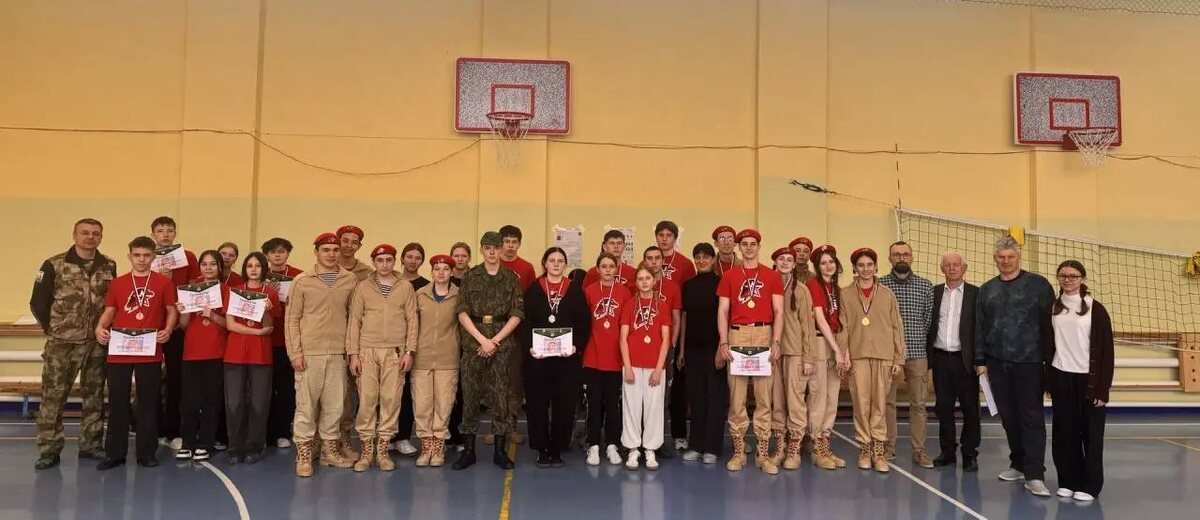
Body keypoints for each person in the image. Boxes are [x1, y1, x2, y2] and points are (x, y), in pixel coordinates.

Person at [30, 218, 117, 469]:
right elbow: (38, 303)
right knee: (53, 398)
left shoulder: (109, 265)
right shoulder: (54, 264)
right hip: (62, 345)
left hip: (96, 344)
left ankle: (91, 444)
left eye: (95, 233)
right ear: (74, 235)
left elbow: (113, 302)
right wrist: (54, 330)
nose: (90, 237)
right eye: (85, 232)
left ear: (101, 237)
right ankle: (49, 449)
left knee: (95, 397)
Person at [975, 235, 1056, 497]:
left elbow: (1050, 326)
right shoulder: (987, 290)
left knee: (1031, 418)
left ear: (1018, 258)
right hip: (997, 364)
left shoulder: (1038, 286)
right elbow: (979, 328)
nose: (1006, 261)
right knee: (1009, 417)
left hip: (1030, 363)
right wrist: (980, 361)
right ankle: (1018, 464)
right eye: (1001, 257)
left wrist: (1050, 363)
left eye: (1011, 257)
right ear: (995, 259)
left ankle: (1035, 474)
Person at [95, 236, 179, 469]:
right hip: (120, 349)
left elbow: (171, 310)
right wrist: (100, 327)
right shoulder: (118, 283)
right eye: (137, 255)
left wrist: (168, 330)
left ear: (153, 257)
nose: (142, 260)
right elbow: (110, 310)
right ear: (129, 256)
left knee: (148, 403)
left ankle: (146, 453)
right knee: (117, 402)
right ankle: (114, 453)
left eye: (146, 255)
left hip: (149, 349)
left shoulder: (164, 283)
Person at [286, 232, 359, 477]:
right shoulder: (302, 281)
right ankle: (304, 455)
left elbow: (354, 318)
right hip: (309, 353)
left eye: (335, 250)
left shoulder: (349, 280)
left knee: (335, 406)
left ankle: (330, 452)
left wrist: (351, 351)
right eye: (326, 250)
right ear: (316, 251)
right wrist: (295, 352)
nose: (331, 254)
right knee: (306, 407)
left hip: (338, 353)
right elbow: (291, 319)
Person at [715, 229, 785, 475]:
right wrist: (724, 342)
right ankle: (739, 452)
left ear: (759, 246)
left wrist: (776, 341)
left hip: (764, 334)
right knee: (737, 398)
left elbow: (779, 311)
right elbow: (723, 311)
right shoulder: (730, 276)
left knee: (764, 398)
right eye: (744, 243)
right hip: (738, 335)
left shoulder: (771, 276)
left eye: (753, 243)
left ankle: (763, 455)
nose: (748, 247)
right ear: (739, 247)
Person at [1045, 260, 1114, 502]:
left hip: (1089, 380)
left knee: (1091, 435)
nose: (1068, 280)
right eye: (1063, 275)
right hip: (1061, 376)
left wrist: (1102, 390)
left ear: (1082, 279)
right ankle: (1068, 481)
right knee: (1065, 434)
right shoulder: (1052, 308)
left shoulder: (1097, 309)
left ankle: (1090, 485)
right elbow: (1048, 346)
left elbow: (1107, 353)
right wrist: (1049, 382)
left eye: (1073, 276)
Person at [455, 231, 524, 470]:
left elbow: (517, 313)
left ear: (502, 250)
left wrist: (494, 341)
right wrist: (481, 340)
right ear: (482, 250)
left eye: (496, 247)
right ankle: (469, 451)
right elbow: (462, 312)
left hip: (500, 346)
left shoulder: (511, 279)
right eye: (487, 247)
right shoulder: (470, 277)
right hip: (473, 345)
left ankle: (499, 451)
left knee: (500, 398)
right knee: (470, 397)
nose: (492, 252)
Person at [347, 244, 418, 472]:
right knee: (367, 400)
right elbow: (354, 321)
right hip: (367, 350)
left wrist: (409, 351)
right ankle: (366, 452)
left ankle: (383, 451)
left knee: (391, 400)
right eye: (380, 260)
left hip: (395, 352)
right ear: (374, 262)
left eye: (389, 260)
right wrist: (353, 354)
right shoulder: (363, 287)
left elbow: (412, 321)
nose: (384, 264)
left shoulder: (405, 287)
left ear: (395, 261)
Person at [522, 247, 592, 468]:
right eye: (551, 260)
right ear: (544, 263)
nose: (555, 264)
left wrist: (576, 346)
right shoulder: (533, 289)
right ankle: (541, 448)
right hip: (538, 359)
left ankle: (557, 449)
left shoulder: (575, 290)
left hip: (566, 359)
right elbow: (525, 322)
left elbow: (584, 322)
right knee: (537, 404)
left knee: (564, 405)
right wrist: (530, 347)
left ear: (565, 265)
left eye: (560, 261)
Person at [837, 248, 905, 473]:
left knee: (879, 405)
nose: (865, 269)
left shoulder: (887, 294)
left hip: (884, 356)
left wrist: (899, 358)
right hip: (858, 356)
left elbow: (896, 327)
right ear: (855, 269)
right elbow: (843, 327)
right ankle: (864, 450)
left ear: (876, 267)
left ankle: (878, 451)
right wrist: (844, 354)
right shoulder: (846, 294)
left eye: (869, 265)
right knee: (861, 404)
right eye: (861, 265)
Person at [878, 241, 935, 467]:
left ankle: (919, 451)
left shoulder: (925, 286)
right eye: (896, 254)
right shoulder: (880, 285)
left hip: (917, 352)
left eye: (905, 254)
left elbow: (928, 321)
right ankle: (888, 448)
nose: (901, 257)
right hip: (888, 355)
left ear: (912, 257)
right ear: (889, 258)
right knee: (887, 403)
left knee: (919, 404)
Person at [223, 252, 281, 464]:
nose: (254, 269)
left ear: (264, 269)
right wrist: (256, 332)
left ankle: (254, 446)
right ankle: (234, 447)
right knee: (234, 402)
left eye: (258, 266)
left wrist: (266, 312)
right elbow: (230, 325)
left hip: (260, 355)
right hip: (234, 353)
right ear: (245, 269)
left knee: (259, 402)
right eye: (250, 266)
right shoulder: (234, 291)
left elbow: (269, 327)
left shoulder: (270, 294)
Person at [926, 252, 980, 472]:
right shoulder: (934, 293)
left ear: (964, 268)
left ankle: (969, 454)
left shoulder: (977, 294)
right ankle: (947, 452)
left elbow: (981, 329)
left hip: (966, 362)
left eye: (956, 264)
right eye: (947, 265)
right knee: (944, 408)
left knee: (971, 409)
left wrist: (981, 360)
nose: (952, 268)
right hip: (941, 360)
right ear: (942, 269)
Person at [150, 216, 199, 448]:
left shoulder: (187, 257)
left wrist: (182, 319)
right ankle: (151, 428)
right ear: (153, 235)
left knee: (175, 379)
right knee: (149, 380)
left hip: (178, 327)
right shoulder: (146, 256)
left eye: (169, 230)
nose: (165, 234)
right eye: (160, 231)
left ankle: (173, 431)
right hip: (150, 327)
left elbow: (194, 288)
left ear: (175, 233)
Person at [768, 247, 818, 470]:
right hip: (771, 352)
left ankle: (794, 450)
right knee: (776, 401)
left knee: (796, 401)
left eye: (790, 259)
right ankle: (780, 447)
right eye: (782, 258)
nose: (786, 262)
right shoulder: (767, 285)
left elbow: (808, 325)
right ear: (775, 261)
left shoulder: (802, 289)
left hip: (795, 352)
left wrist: (809, 357)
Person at [174, 250, 228, 462]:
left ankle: (205, 443)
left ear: (219, 267)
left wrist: (212, 315)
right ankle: (187, 443)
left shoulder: (226, 291)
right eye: (204, 264)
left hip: (216, 352)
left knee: (211, 401)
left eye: (213, 264)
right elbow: (183, 326)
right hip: (192, 353)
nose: (208, 268)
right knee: (189, 401)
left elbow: (230, 324)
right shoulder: (190, 290)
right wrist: (183, 312)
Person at [620, 266, 673, 470]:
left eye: (647, 278)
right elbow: (623, 338)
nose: (644, 282)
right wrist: (627, 367)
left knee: (654, 407)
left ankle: (650, 448)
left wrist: (659, 369)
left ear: (654, 281)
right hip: (632, 364)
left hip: (654, 365)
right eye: (640, 278)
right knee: (631, 407)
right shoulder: (629, 305)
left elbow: (666, 339)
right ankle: (633, 448)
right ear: (636, 282)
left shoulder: (662, 306)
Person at [582, 253, 633, 466]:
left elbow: (628, 327)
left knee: (613, 405)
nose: (608, 270)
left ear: (616, 268)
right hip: (592, 357)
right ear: (597, 269)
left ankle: (612, 444)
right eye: (604, 266)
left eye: (611, 266)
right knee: (593, 404)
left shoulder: (625, 293)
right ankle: (593, 445)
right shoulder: (588, 291)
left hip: (616, 358)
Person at [411, 255, 461, 467]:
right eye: (437, 269)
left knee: (444, 404)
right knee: (422, 404)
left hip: (448, 359)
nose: (441, 273)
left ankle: (438, 445)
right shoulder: (419, 295)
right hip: (421, 359)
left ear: (452, 272)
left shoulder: (460, 296)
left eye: (445, 269)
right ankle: (426, 446)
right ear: (431, 272)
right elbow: (412, 325)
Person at [678, 243, 726, 465]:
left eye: (706, 256)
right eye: (697, 256)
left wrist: (722, 348)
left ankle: (712, 447)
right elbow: (684, 318)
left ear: (713, 259)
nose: (701, 260)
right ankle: (696, 445)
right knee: (696, 398)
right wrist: (681, 349)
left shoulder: (721, 283)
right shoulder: (688, 286)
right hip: (692, 350)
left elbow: (726, 316)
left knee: (714, 398)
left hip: (714, 350)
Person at [806, 245, 852, 470]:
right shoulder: (813, 285)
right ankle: (816, 447)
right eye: (823, 263)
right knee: (819, 396)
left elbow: (842, 323)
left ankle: (825, 443)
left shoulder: (837, 289)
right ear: (817, 266)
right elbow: (820, 319)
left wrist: (845, 351)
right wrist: (836, 349)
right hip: (820, 343)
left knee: (832, 397)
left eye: (831, 262)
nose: (828, 266)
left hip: (835, 343)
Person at [641, 245, 686, 454]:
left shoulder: (672, 287)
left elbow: (677, 319)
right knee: (641, 395)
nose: (653, 262)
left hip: (664, 349)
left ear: (662, 261)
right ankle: (639, 440)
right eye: (649, 258)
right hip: (641, 349)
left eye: (657, 258)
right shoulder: (639, 284)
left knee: (662, 396)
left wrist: (672, 346)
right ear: (644, 261)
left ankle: (657, 442)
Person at [263, 237, 304, 448]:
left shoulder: (299, 277)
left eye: (281, 251)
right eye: (273, 252)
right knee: (264, 389)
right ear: (267, 255)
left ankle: (282, 432)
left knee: (286, 389)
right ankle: (264, 432)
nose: (277, 255)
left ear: (288, 254)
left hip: (289, 341)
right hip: (263, 340)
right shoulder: (259, 275)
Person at [498, 224, 535, 446]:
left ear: (519, 244)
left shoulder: (527, 268)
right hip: (492, 334)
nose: (510, 246)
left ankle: (511, 427)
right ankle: (497, 428)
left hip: (517, 335)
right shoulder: (491, 265)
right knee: (494, 383)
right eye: (506, 241)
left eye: (514, 242)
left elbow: (529, 303)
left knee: (514, 382)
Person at [392, 242, 428, 457]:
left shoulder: (426, 286)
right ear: (402, 258)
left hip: (414, 346)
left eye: (418, 258)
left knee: (408, 393)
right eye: (409, 256)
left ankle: (403, 437)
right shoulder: (392, 282)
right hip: (391, 344)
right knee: (389, 393)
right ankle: (387, 437)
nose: (413, 261)